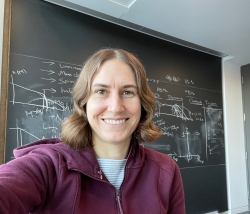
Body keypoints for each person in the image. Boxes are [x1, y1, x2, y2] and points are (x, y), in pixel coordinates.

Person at [0, 48, 186, 214]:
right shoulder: (48, 165)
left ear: (142, 103)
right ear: (84, 102)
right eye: (101, 91)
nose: (115, 107)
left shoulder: (166, 170)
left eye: (128, 92)